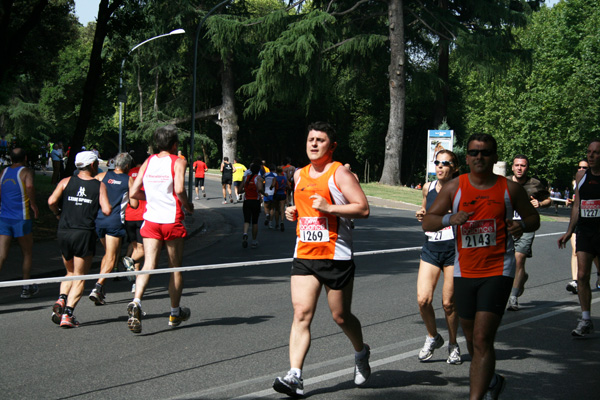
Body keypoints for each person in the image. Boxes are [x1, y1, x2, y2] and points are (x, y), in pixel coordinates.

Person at [423, 133, 539, 399]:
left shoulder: (509, 188)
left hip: (498, 269)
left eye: (485, 152)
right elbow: (428, 222)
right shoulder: (456, 187)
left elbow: (534, 218)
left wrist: (521, 224)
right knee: (471, 336)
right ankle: (491, 380)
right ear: (467, 157)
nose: (479, 157)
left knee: (482, 338)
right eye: (474, 152)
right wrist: (450, 218)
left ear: (495, 157)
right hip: (465, 270)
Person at [273, 122, 371, 397]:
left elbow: (363, 209)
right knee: (301, 314)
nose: (314, 144)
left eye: (321, 140)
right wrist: (293, 212)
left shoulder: (339, 173)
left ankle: (361, 352)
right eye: (311, 139)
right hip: (304, 253)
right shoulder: (298, 175)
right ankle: (295, 376)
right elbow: (304, 208)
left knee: (340, 316)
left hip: (336, 255)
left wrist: (330, 208)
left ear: (332, 146)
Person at [126, 125, 194, 334]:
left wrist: (151, 198)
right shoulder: (179, 161)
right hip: (171, 219)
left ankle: (136, 302)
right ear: (174, 144)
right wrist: (188, 206)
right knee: (175, 267)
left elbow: (134, 191)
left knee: (149, 263)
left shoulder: (148, 162)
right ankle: (174, 313)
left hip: (151, 220)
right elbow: (180, 189)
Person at [48, 151, 111, 328]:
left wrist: (58, 213)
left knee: (69, 272)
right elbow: (106, 210)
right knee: (80, 276)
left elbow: (51, 201)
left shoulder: (66, 181)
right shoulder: (98, 186)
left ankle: (61, 299)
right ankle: (68, 314)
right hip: (84, 233)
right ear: (92, 166)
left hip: (64, 232)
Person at [414, 150, 462, 364]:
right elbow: (425, 211)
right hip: (431, 247)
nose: (440, 167)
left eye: (446, 163)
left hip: (454, 250)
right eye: (437, 163)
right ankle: (433, 336)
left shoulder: (462, 189)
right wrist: (421, 213)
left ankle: (453, 344)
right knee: (423, 300)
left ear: (455, 168)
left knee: (448, 303)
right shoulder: (428, 187)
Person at [558, 138, 600, 337]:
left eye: (596, 153)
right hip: (585, 230)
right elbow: (577, 205)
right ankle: (586, 319)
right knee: (582, 276)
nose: (591, 156)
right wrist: (569, 231)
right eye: (589, 152)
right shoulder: (581, 176)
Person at [506, 155, 551, 311]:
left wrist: (539, 203)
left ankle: (513, 298)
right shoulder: (503, 182)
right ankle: (521, 278)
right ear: (512, 167)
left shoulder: (535, 184)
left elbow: (548, 200)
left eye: (523, 165)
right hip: (507, 227)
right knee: (506, 262)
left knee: (519, 259)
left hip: (526, 226)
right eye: (517, 165)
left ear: (527, 168)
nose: (519, 168)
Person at [88, 153, 133, 306]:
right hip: (115, 221)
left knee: (108, 255)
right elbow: (133, 203)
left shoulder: (102, 176)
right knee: (111, 257)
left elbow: (90, 191)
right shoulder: (129, 180)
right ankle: (98, 286)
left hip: (99, 221)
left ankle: (100, 290)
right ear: (127, 166)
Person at [0, 148, 39, 298]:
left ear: (10, 158)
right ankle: (25, 287)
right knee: (27, 252)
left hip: (4, 217)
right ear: (25, 157)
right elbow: (29, 186)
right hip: (21, 217)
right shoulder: (26, 172)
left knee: (2, 254)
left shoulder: (4, 172)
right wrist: (33, 204)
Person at [565, 159, 600, 294]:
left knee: (595, 253)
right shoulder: (577, 180)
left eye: (583, 167)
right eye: (579, 167)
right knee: (575, 250)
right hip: (580, 221)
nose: (581, 169)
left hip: (595, 224)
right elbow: (578, 201)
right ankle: (576, 280)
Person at [123, 149, 148, 293]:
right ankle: (128, 261)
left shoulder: (129, 173)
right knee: (142, 250)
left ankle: (134, 281)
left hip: (129, 215)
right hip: (142, 215)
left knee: (136, 247)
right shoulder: (147, 171)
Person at [240, 160, 265, 249]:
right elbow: (259, 189)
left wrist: (245, 190)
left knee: (246, 220)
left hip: (247, 201)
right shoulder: (258, 178)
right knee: (255, 221)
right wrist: (264, 194)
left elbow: (239, 190)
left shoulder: (246, 178)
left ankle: (245, 233)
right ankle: (254, 241)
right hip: (255, 201)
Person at [271, 165, 288, 232]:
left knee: (277, 209)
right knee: (282, 208)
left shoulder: (275, 178)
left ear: (276, 171)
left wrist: (271, 187)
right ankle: (282, 221)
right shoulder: (284, 178)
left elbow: (273, 185)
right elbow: (289, 186)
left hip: (276, 194)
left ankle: (277, 224)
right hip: (283, 193)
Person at [263, 164, 277, 228]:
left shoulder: (265, 175)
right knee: (272, 208)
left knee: (266, 207)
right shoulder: (275, 175)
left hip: (266, 192)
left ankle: (267, 215)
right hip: (273, 193)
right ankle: (270, 223)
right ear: (275, 170)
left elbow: (262, 181)